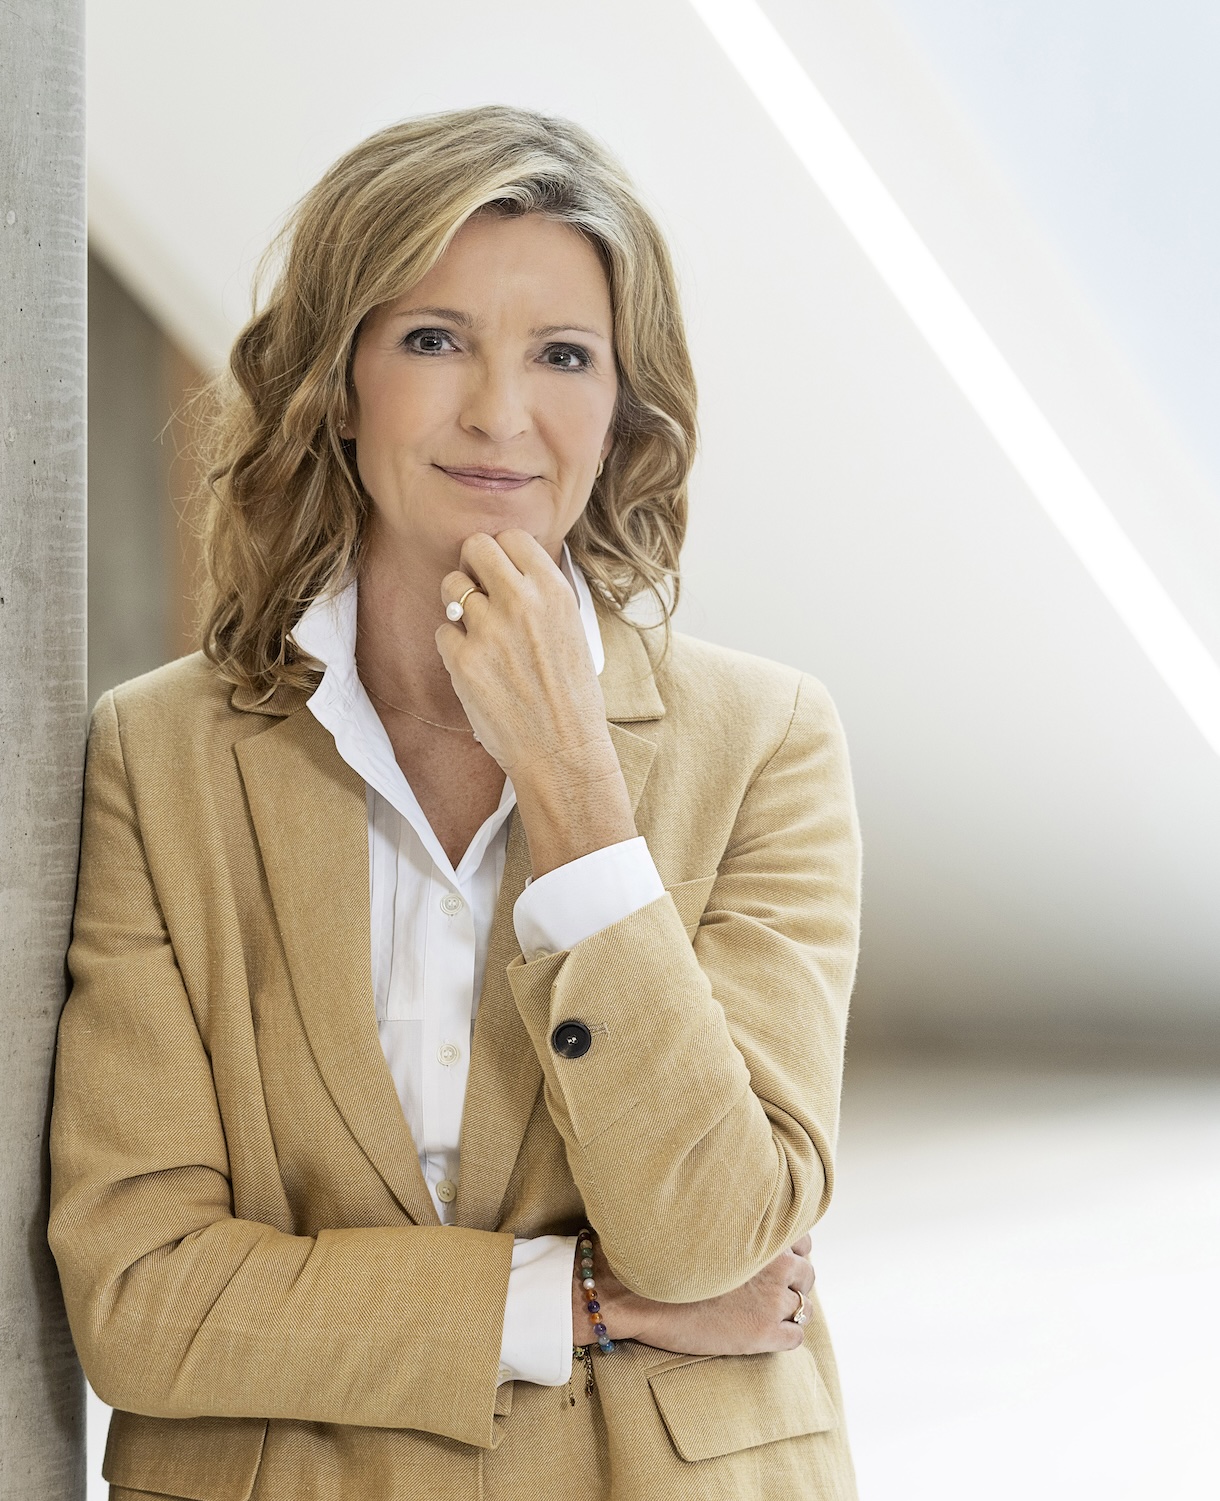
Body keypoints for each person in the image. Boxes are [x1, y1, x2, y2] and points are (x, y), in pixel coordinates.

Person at [49, 105, 862, 1501]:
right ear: (337, 378)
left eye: (563, 355)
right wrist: (579, 1304)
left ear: (623, 407)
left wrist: (576, 789)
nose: (501, 412)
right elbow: (145, 1297)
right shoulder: (157, 756)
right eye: (434, 340)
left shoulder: (767, 744)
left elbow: (716, 1233)